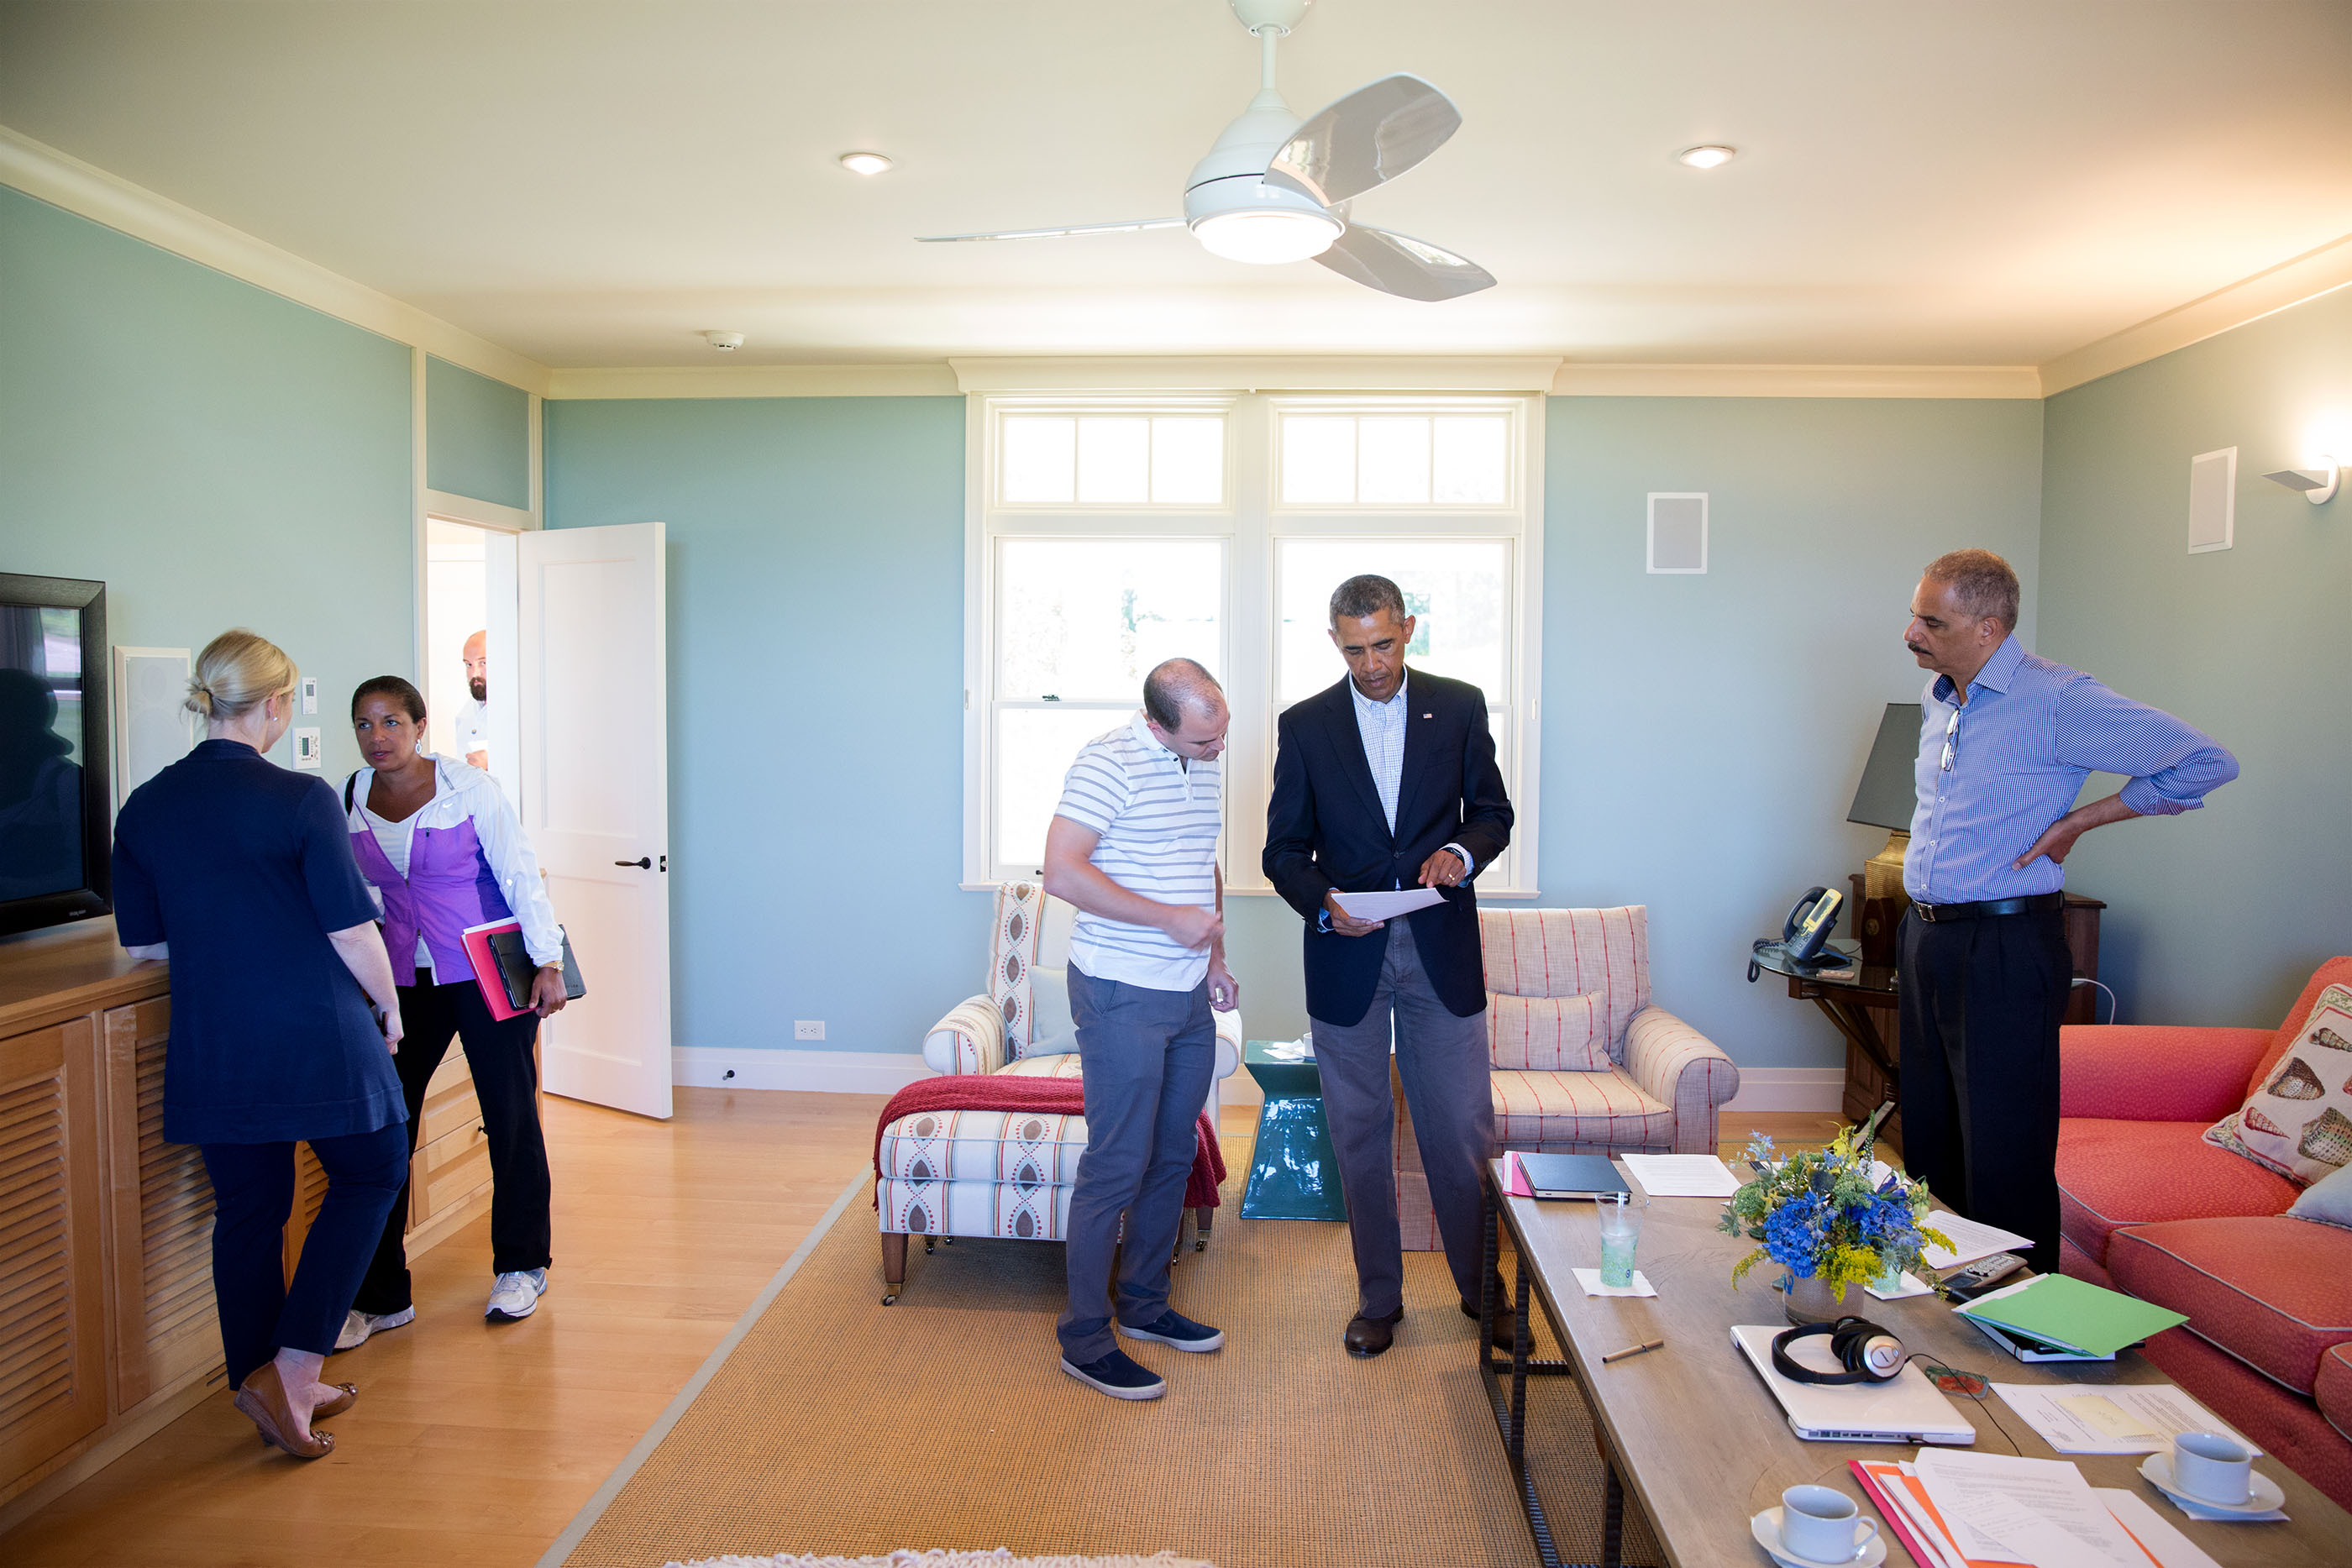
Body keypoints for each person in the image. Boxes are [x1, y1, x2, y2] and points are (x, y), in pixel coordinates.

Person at [110, 629, 409, 1460]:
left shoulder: (145, 805)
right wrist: (389, 1008)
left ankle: (270, 1383)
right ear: (277, 705)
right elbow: (352, 931)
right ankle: (297, 1363)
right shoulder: (302, 797)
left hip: (215, 1043)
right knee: (373, 1168)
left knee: (248, 1211)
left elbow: (144, 945)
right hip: (316, 1032)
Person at [1898, 548, 2238, 1270]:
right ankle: (1941, 1300)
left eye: (1932, 620)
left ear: (1989, 628)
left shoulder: (2058, 698)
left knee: (2003, 1145)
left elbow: (2206, 761)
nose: (1911, 632)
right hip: (1926, 936)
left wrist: (2084, 820)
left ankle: (2017, 1324)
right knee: (1931, 1133)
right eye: (1914, 613)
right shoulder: (1943, 698)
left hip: (2005, 943)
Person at [1264, 574, 1514, 1358]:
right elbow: (1281, 851)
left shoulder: (1462, 705)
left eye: (1383, 643)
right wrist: (1323, 900)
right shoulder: (1304, 726)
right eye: (1354, 648)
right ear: (1334, 641)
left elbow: (1494, 814)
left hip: (1440, 949)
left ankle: (1485, 1293)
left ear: (1408, 627)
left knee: (1462, 1131)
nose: (1371, 663)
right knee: (1360, 1131)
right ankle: (1379, 1298)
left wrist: (1460, 852)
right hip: (1347, 953)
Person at [338, 675, 569, 1343]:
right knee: (386, 1130)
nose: (377, 737)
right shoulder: (350, 796)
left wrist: (547, 959)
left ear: (419, 724)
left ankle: (522, 1265)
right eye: (363, 724)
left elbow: (521, 873)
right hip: (401, 981)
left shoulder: (471, 789)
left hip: (484, 970)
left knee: (510, 1117)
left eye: (390, 722)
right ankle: (383, 1295)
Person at [1040, 658, 1240, 1401]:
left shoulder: (1203, 753)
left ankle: (1146, 1305)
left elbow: (1201, 862)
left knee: (1172, 1152)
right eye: (1201, 742)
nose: (1218, 752)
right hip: (1120, 989)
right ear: (1157, 725)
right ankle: (1086, 1339)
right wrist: (1169, 922)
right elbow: (1061, 871)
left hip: (1188, 992)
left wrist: (1215, 951)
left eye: (1222, 734)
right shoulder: (1107, 763)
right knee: (1117, 1163)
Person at [458, 630, 490, 770]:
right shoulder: (465, 713)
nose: (475, 674)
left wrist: (493, 763)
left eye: (483, 663)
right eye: (469, 665)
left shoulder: (522, 708)